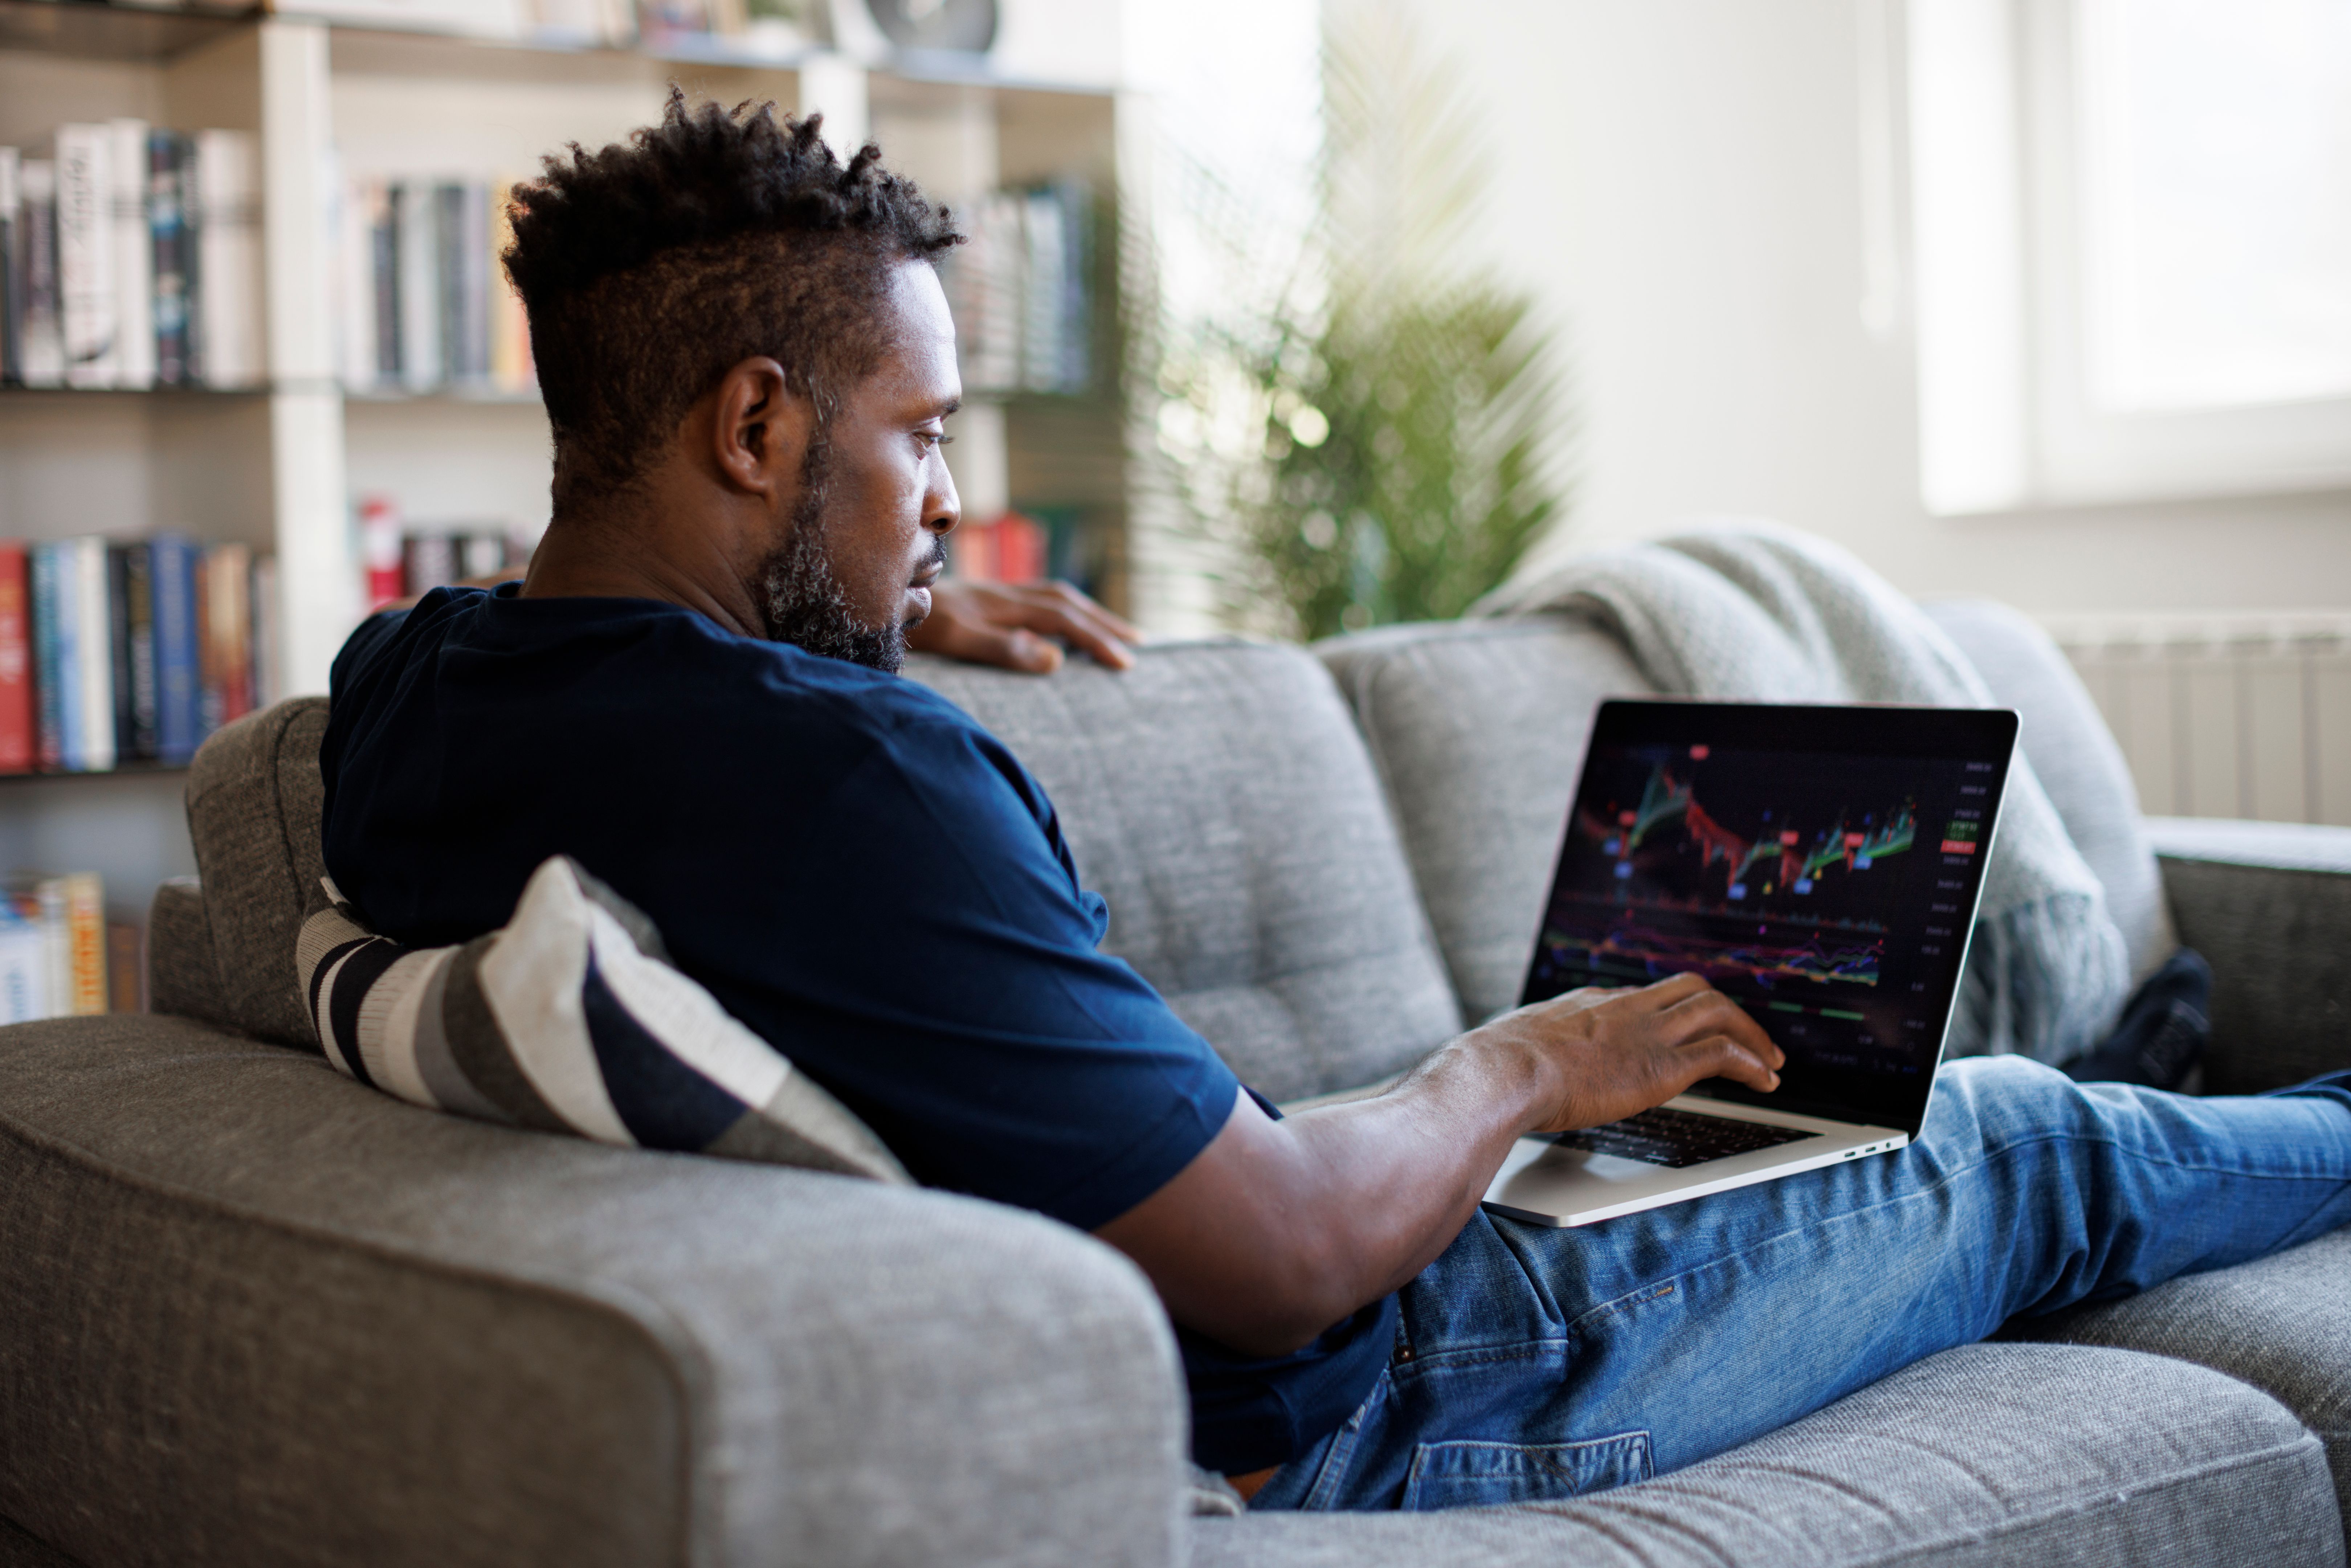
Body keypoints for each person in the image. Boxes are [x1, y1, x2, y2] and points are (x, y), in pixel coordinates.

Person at [320, 96, 2351, 1513]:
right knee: (2012, 1139)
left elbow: (687, 688)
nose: (945, 499)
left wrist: (885, 598)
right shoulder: (850, 780)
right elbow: (1291, 1260)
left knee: (1898, 1100)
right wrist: (1528, 1064)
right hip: (1358, 1387)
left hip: (1228, 1212)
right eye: (921, 440)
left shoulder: (415, 688)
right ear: (757, 426)